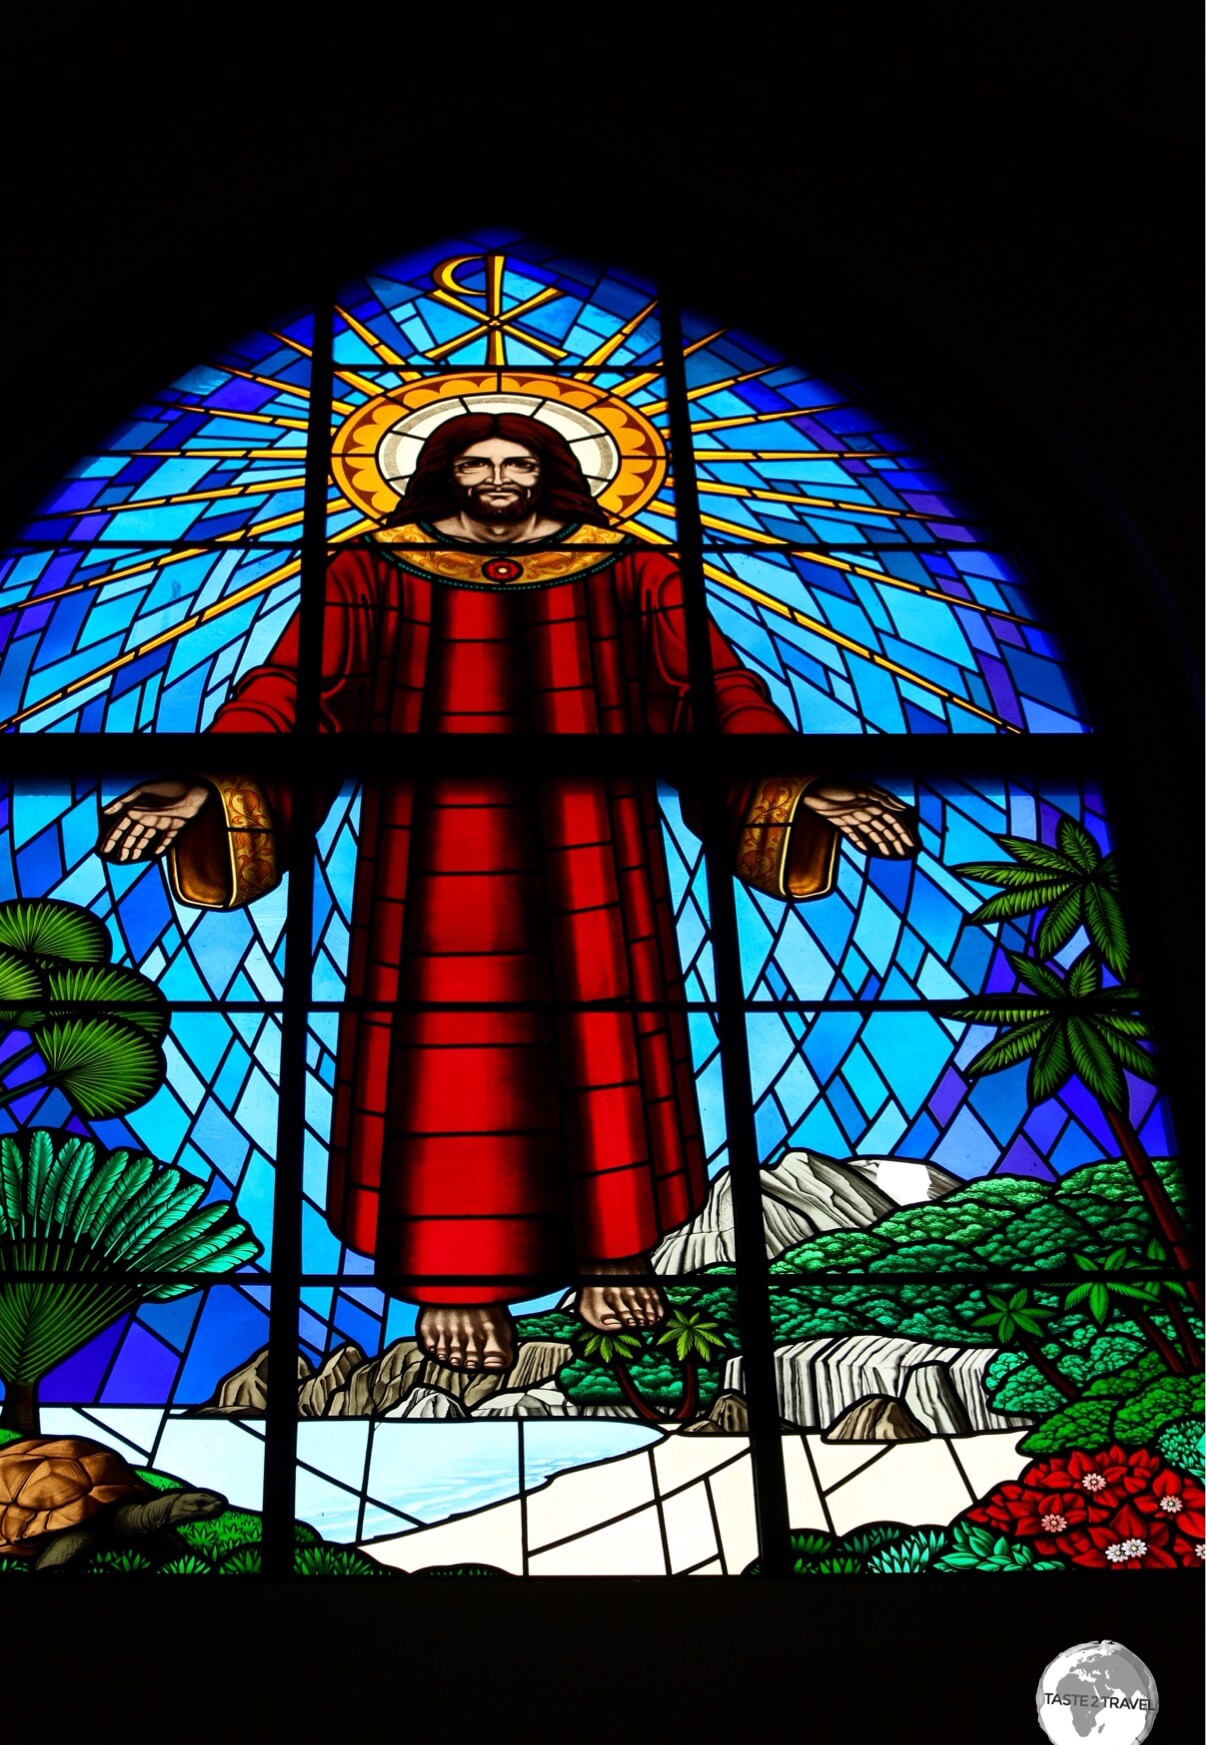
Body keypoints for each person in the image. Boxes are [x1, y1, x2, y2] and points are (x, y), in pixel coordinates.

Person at [100, 413, 916, 1373]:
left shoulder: (631, 570)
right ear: (441, 473)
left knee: (603, 1033)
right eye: (477, 463)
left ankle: (609, 1253)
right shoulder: (370, 572)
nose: (497, 479)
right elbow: (293, 693)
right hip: (430, 857)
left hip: (596, 854)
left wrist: (795, 779)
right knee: (449, 1051)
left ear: (553, 472)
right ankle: (458, 1282)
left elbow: (709, 691)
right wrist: (206, 780)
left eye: (518, 463)